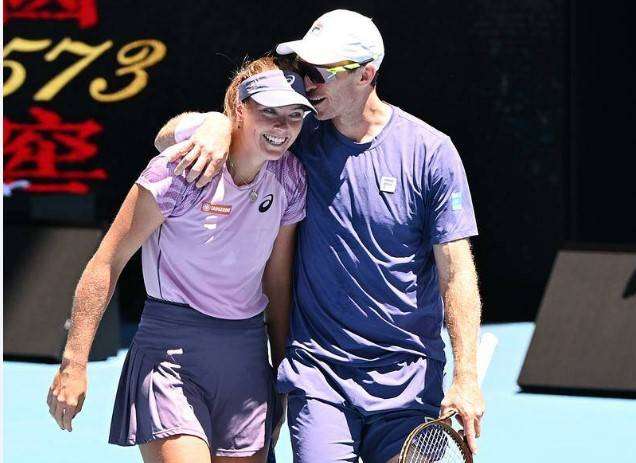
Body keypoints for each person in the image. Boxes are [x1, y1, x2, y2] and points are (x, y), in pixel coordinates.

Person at [155, 9, 485, 463]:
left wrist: (466, 375)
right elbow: (164, 137)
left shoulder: (431, 152)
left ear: (367, 74)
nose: (307, 84)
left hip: (408, 383)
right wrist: (212, 124)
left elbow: (456, 269)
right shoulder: (296, 136)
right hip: (319, 377)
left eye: (319, 72)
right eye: (302, 70)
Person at [46, 56, 315, 463]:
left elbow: (276, 284)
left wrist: (281, 377)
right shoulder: (179, 172)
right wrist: (74, 362)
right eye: (269, 111)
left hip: (245, 358)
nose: (282, 126)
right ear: (239, 109)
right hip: (169, 354)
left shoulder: (290, 179)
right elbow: (107, 262)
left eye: (294, 114)